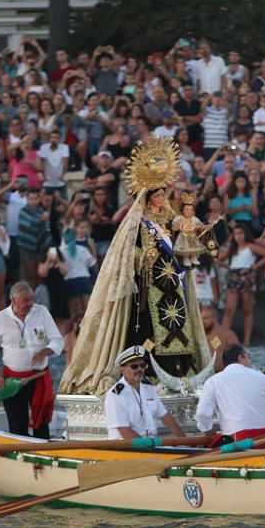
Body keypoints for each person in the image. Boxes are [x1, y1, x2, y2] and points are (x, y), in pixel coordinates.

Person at [61, 139, 211, 396]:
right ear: (147, 196)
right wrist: (145, 257)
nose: (161, 198)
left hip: (170, 284)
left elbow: (184, 236)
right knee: (146, 326)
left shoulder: (168, 218)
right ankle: (149, 373)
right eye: (156, 194)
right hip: (147, 283)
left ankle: (177, 370)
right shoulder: (136, 222)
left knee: (176, 325)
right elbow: (126, 254)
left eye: (163, 193)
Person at [0, 281, 64, 438]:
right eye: (25, 300)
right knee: (17, 424)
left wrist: (44, 352)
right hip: (12, 380)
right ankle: (20, 455)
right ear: (13, 301)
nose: (30, 304)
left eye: (31, 299)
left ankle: (43, 454)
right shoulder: (0, 319)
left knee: (41, 423)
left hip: (38, 377)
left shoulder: (41, 312)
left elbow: (57, 340)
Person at [196, 344, 265, 446]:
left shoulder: (213, 381)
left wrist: (209, 432)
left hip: (239, 438)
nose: (251, 361)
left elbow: (202, 414)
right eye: (249, 357)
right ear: (240, 358)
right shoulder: (262, 377)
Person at [104, 345, 185, 441]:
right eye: (134, 366)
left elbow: (166, 417)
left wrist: (185, 441)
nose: (140, 369)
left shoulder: (149, 389)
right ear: (122, 369)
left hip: (149, 444)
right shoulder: (116, 394)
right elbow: (124, 431)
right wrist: (149, 448)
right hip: (125, 448)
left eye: (142, 365)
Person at [199, 304, 238, 372]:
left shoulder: (226, 334)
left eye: (206, 318)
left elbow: (238, 354)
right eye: (201, 319)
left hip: (221, 373)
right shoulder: (198, 334)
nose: (203, 322)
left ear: (214, 318)